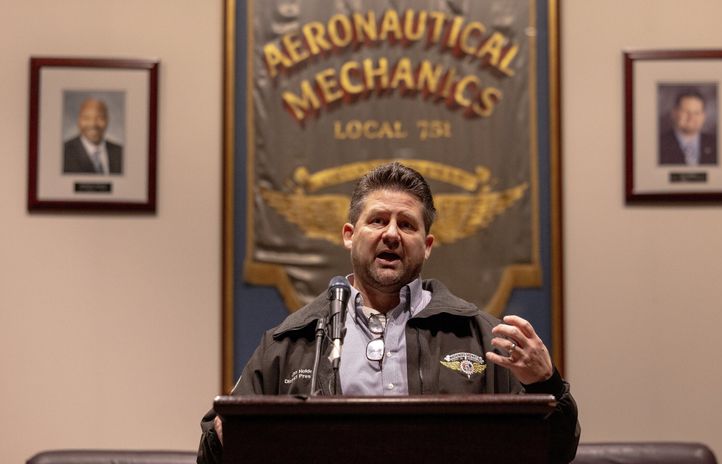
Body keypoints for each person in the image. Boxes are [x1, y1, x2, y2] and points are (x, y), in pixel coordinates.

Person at [198, 162, 580, 463]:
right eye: (378, 220)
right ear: (350, 234)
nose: (392, 234)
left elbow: (554, 452)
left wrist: (545, 384)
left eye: (407, 225)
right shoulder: (290, 341)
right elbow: (214, 450)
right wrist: (226, 437)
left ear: (427, 245)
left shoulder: (483, 337)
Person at [63, 98, 123, 174]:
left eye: (99, 117)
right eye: (86, 118)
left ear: (107, 120)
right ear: (79, 120)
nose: (93, 124)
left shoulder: (121, 153)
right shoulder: (63, 153)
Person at [658, 89, 717, 166]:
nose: (691, 117)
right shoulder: (658, 144)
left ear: (703, 116)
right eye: (685, 112)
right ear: (674, 113)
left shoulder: (716, 144)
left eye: (696, 113)